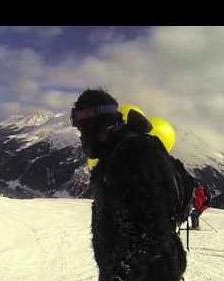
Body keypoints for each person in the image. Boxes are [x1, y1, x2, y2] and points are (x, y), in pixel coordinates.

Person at [71, 89, 187, 281]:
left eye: (83, 127)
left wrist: (119, 276)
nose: (81, 135)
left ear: (98, 123)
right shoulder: (112, 154)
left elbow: (151, 230)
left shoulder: (134, 153)